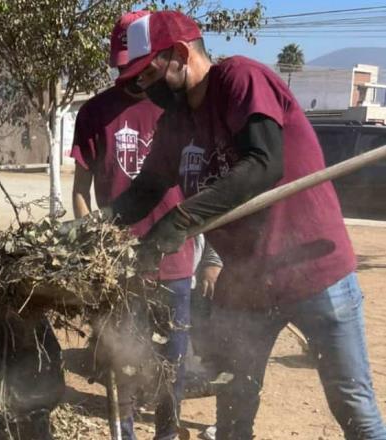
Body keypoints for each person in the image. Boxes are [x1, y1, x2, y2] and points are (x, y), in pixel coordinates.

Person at [109, 10, 386, 439]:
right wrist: (92, 229)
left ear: (180, 54)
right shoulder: (177, 124)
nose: (144, 89)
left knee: (352, 406)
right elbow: (144, 190)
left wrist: (180, 220)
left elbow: (263, 164)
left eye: (148, 76)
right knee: (235, 409)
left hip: (315, 273)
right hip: (247, 286)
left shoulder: (239, 79)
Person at [71, 11, 196, 440]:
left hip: (175, 264)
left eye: (139, 66)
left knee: (173, 366)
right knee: (123, 365)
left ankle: (165, 434)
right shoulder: (94, 112)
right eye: (124, 67)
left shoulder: (179, 107)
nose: (133, 76)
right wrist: (93, 244)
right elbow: (81, 193)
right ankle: (123, 433)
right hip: (120, 268)